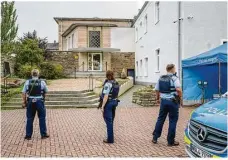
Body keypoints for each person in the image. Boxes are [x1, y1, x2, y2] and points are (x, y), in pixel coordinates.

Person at [152, 64, 182, 146]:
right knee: (172, 120)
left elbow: (157, 90)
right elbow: (178, 89)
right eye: (174, 68)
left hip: (163, 102)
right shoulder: (174, 78)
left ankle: (155, 137)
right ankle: (170, 141)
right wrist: (181, 97)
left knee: (160, 119)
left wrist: (158, 99)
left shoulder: (161, 78)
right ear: (172, 69)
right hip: (172, 102)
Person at [22, 69, 49, 140]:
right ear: (38, 74)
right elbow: (46, 91)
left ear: (31, 74)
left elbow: (23, 93)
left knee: (29, 118)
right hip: (39, 101)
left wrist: (24, 102)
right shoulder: (42, 82)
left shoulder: (27, 82)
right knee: (42, 118)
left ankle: (28, 135)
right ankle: (43, 134)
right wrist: (43, 99)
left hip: (30, 101)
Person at [99, 70, 120, 144]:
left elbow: (106, 96)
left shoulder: (108, 84)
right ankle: (110, 135)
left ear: (107, 75)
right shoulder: (116, 83)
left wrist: (102, 106)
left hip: (109, 103)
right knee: (111, 120)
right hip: (115, 102)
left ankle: (110, 139)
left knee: (108, 121)